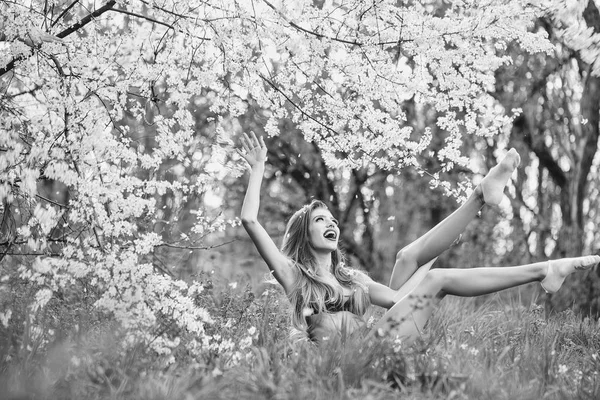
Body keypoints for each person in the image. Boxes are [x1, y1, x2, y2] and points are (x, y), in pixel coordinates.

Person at [238, 131, 600, 345]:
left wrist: (425, 265)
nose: (331, 222)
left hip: (382, 336)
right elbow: (250, 220)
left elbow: (399, 299)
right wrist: (257, 170)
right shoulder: (295, 278)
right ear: (305, 235)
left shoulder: (353, 279)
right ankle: (543, 270)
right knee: (435, 278)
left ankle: (479, 197)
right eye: (320, 220)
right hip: (370, 350)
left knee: (408, 257)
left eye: (332, 218)